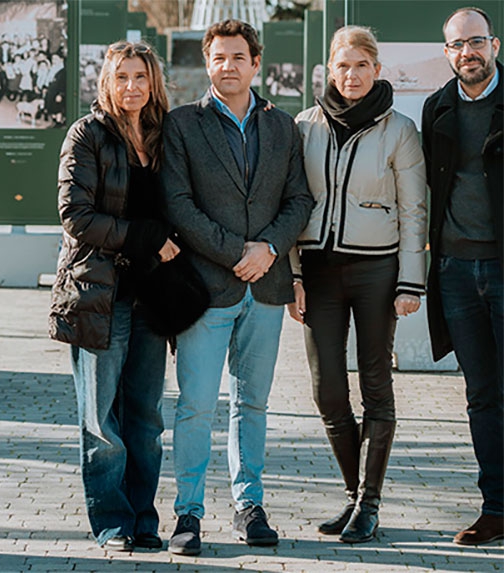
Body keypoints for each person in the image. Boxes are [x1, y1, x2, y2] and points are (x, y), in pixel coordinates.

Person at [161, 19, 314, 555]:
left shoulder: (282, 127)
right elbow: (178, 204)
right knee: (195, 406)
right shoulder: (182, 124)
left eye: (237, 57)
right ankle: (188, 513)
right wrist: (236, 252)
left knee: (252, 404)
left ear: (256, 63)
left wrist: (268, 248)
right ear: (208, 64)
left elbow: (299, 199)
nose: (228, 66)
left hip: (266, 290)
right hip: (208, 287)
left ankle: (249, 505)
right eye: (219, 57)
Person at [287, 25, 427, 544]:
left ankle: (370, 502)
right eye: (342, 66)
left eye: (361, 66)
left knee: (375, 385)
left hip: (377, 272)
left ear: (377, 69)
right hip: (318, 272)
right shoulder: (305, 125)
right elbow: (292, 204)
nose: (351, 76)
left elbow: (415, 210)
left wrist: (411, 281)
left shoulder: (399, 129)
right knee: (327, 389)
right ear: (330, 68)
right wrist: (294, 275)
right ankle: (353, 495)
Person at [48, 40, 178, 552]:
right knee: (101, 421)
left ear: (153, 82)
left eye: (141, 77)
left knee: (146, 420)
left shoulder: (164, 134)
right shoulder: (87, 135)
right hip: (101, 294)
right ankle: (112, 522)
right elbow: (75, 217)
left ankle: (145, 518)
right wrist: (143, 236)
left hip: (153, 298)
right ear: (107, 80)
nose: (131, 86)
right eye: (122, 76)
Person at [422, 7, 503, 546]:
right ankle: (496, 508)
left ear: (494, 45)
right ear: (447, 53)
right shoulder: (437, 107)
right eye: (457, 45)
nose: (467, 52)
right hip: (454, 269)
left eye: (476, 42)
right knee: (480, 394)